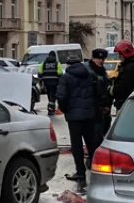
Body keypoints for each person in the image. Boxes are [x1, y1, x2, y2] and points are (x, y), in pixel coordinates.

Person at [56, 54, 99, 185]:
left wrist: (65, 110)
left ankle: (80, 173)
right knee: (91, 143)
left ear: (68, 64)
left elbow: (62, 97)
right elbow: (97, 93)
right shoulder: (90, 74)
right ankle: (97, 171)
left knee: (77, 146)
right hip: (90, 115)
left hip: (74, 117)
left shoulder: (66, 77)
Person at [87, 49, 113, 145]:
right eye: (98, 58)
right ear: (93, 58)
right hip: (95, 108)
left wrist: (107, 104)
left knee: (104, 131)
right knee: (96, 136)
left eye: (102, 59)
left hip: (104, 108)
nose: (100, 61)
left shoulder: (102, 71)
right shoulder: (89, 71)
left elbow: (106, 88)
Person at [109, 40, 134, 111]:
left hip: (127, 104)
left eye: (120, 54)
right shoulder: (132, 65)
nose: (119, 57)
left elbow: (122, 88)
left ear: (125, 54)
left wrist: (110, 89)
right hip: (131, 102)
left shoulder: (130, 68)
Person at [38, 51, 63, 115]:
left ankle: (51, 107)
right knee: (53, 95)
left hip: (46, 82)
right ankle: (51, 108)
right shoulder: (57, 63)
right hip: (55, 82)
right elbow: (60, 73)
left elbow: (40, 72)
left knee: (49, 95)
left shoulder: (43, 63)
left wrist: (42, 78)